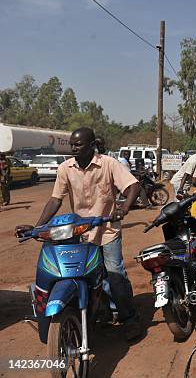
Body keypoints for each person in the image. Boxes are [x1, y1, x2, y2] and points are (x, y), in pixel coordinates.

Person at [15, 127, 143, 340]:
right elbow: (56, 199)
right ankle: (96, 312)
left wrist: (124, 208)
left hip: (107, 230)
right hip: (80, 233)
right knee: (83, 275)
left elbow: (134, 186)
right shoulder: (66, 168)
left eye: (78, 144)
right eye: (72, 144)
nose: (73, 148)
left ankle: (130, 319)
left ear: (91, 145)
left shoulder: (108, 164)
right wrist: (38, 227)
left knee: (115, 275)